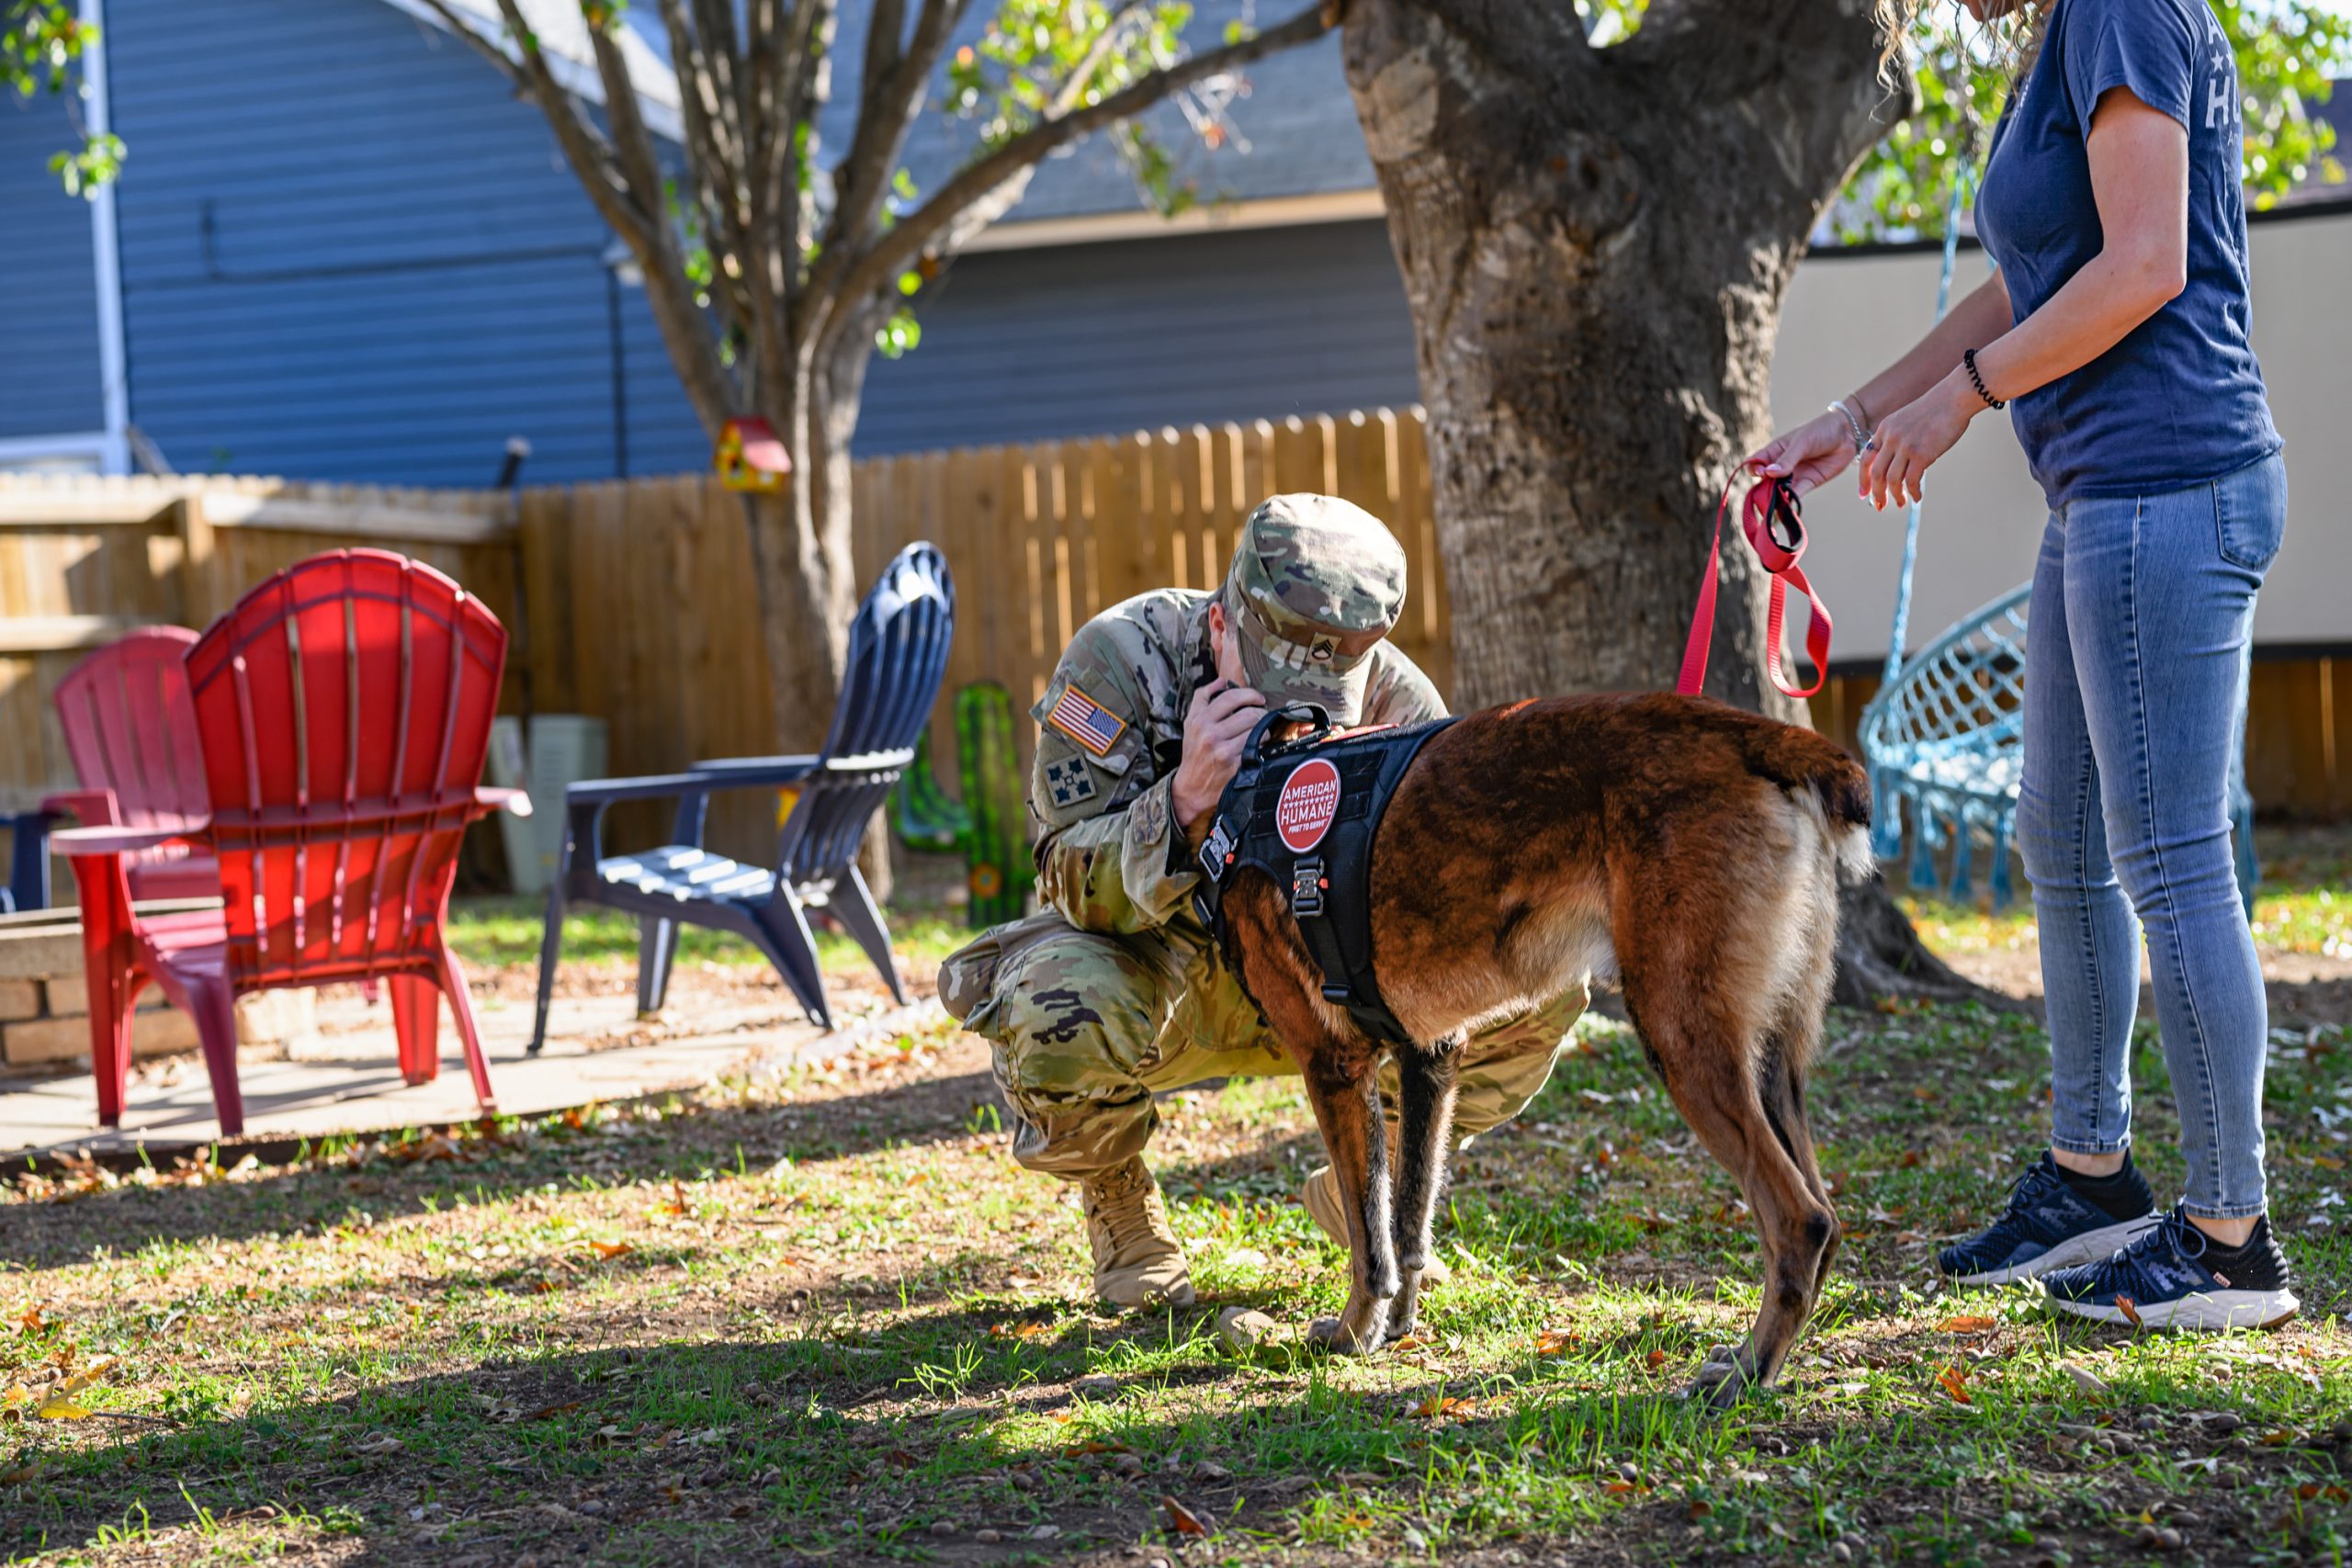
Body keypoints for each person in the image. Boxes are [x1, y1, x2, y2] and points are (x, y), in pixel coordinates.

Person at [1750, 0, 2294, 1327]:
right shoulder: (2060, 38)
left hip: (2169, 487)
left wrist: (1963, 398)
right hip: (2102, 496)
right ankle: (2092, 1173)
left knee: (2168, 854)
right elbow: (2034, 275)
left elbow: (2145, 261)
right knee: (2065, 837)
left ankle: (2231, 1237)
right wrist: (1860, 411)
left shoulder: (2119, 9)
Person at [938, 494, 1585, 1308]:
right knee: (1053, 1002)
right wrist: (1179, 803)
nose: (1294, 715)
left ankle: (1366, 1185)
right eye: (1274, 687)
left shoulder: (1398, 702)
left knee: (1536, 986)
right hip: (1161, 973)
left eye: (1322, 695)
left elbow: (1448, 905)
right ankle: (1118, 1198)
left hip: (1330, 985)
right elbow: (1063, 873)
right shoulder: (1122, 660)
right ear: (1221, 626)